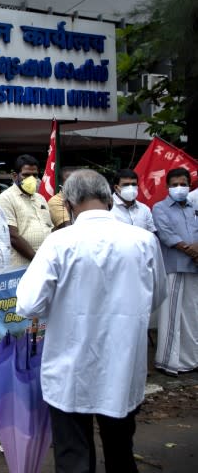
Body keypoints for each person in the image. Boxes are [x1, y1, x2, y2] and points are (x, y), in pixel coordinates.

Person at [16, 169, 166, 473]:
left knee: (73, 456)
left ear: (69, 201)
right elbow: (157, 295)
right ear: (109, 197)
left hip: (69, 368)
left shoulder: (59, 242)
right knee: (121, 450)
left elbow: (29, 303)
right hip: (123, 364)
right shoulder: (143, 240)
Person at [151, 167, 198, 377]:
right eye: (175, 184)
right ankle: (169, 361)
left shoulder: (193, 207)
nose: (180, 188)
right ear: (167, 186)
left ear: (189, 185)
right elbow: (165, 234)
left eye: (183, 184)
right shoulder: (160, 208)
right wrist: (190, 250)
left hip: (193, 267)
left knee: (192, 315)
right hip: (174, 267)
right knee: (171, 316)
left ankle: (191, 360)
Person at [0, 154, 53, 267]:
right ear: (14, 176)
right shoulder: (6, 198)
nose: (31, 179)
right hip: (22, 265)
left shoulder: (40, 198)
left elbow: (48, 227)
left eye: (35, 175)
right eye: (26, 175)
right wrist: (38, 261)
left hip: (46, 263)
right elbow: (12, 236)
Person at [110, 169, 156, 233]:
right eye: (126, 185)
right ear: (116, 187)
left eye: (134, 184)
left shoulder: (144, 209)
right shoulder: (106, 208)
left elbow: (152, 234)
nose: (131, 188)